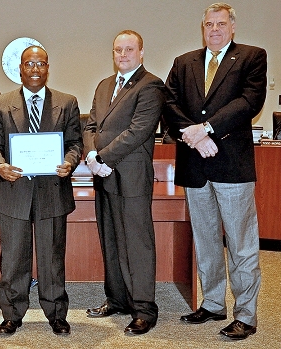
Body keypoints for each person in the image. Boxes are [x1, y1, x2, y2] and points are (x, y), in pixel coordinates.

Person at [164, 2, 266, 340]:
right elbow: (169, 105)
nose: (214, 29)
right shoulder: (184, 62)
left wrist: (205, 128)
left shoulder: (252, 57)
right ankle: (212, 303)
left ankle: (246, 315)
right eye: (209, 24)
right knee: (206, 241)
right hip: (195, 165)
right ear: (203, 27)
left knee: (240, 244)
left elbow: (249, 103)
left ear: (232, 27)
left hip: (232, 166)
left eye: (221, 23)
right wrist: (193, 137)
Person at [0, 45, 83, 336]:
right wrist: (0, 166)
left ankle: (56, 314)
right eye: (30, 64)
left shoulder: (67, 102)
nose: (36, 69)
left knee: (52, 256)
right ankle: (12, 314)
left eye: (41, 63)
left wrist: (69, 161)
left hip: (52, 190)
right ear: (21, 68)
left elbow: (76, 143)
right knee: (14, 257)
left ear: (48, 67)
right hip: (13, 190)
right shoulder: (0, 104)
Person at [83, 30, 165, 335]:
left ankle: (144, 308)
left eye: (129, 49)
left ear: (141, 52)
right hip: (103, 177)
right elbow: (91, 124)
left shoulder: (151, 85)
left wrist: (102, 158)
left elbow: (138, 130)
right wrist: (91, 154)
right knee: (111, 240)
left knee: (137, 244)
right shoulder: (105, 85)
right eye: (118, 50)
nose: (123, 54)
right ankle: (116, 299)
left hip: (130, 176)